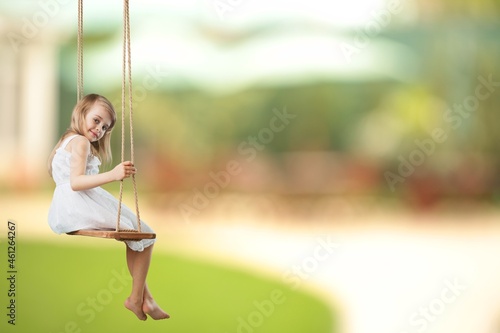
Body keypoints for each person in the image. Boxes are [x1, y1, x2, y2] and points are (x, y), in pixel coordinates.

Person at [47, 93, 169, 321]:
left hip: (70, 205)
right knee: (144, 234)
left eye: (105, 127)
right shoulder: (81, 142)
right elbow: (76, 182)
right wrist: (112, 175)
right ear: (82, 113)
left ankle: (144, 299)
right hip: (80, 203)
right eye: (96, 120)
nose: (99, 129)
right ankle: (137, 298)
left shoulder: (69, 139)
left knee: (138, 234)